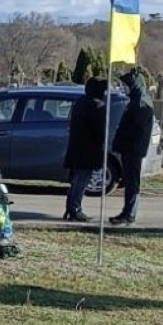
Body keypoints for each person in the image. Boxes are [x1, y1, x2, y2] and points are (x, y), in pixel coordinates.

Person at [110, 71, 154, 225]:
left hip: (133, 150)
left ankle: (129, 213)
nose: (124, 88)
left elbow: (136, 129)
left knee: (132, 183)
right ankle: (127, 211)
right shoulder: (136, 101)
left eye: (126, 85)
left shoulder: (141, 103)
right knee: (129, 182)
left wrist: (124, 142)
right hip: (129, 148)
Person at [63, 77, 108, 222]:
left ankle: (70, 208)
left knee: (76, 180)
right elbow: (100, 133)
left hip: (76, 147)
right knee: (81, 181)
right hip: (89, 150)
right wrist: (101, 151)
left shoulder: (80, 102)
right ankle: (75, 209)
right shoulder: (97, 106)